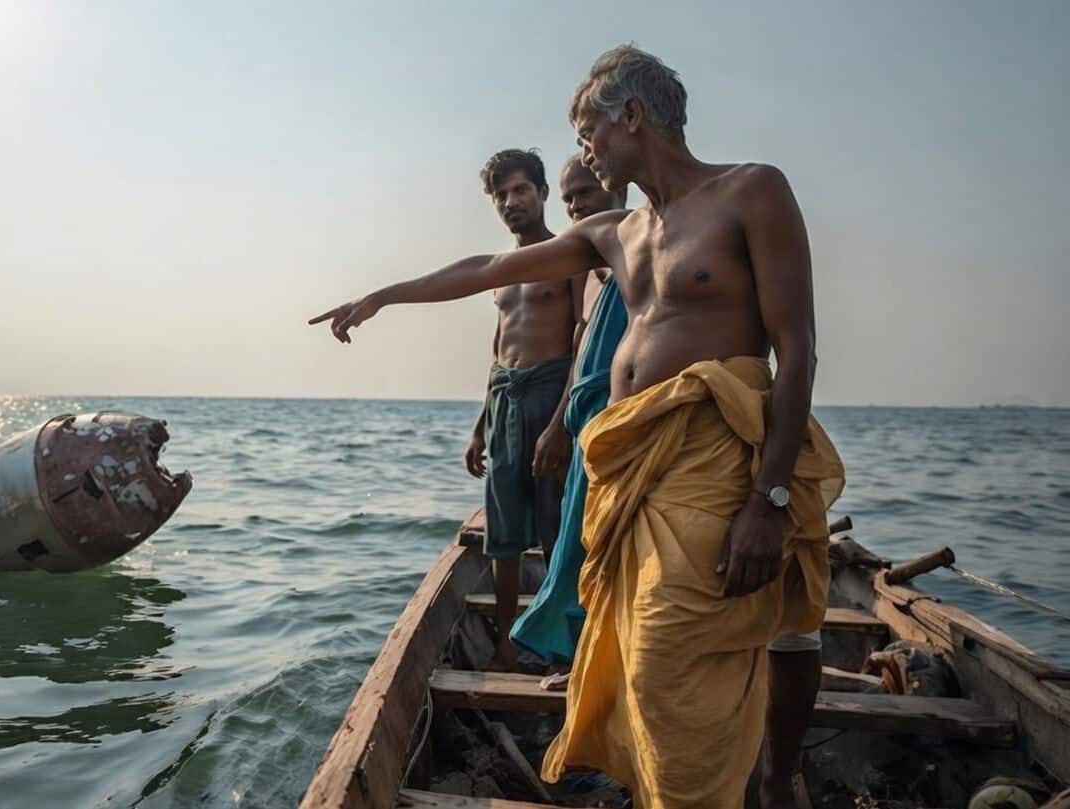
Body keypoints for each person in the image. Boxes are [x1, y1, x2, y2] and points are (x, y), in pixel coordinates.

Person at [310, 44, 844, 809]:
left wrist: (771, 501)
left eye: (587, 125)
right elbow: (486, 268)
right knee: (638, 662)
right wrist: (383, 295)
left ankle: (742, 783)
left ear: (632, 116)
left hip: (713, 467)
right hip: (629, 471)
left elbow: (798, 351)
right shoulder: (615, 234)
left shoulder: (752, 192)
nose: (583, 145)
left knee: (667, 661)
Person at [508, 156, 625, 686]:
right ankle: (579, 663)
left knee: (603, 549)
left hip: (622, 424)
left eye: (584, 193)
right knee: (579, 550)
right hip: (587, 422)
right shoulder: (596, 263)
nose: (576, 205)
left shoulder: (633, 256)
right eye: (570, 197)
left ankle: (596, 669)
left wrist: (557, 424)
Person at [462, 148, 579, 672]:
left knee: (558, 526)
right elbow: (499, 346)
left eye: (521, 190)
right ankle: (506, 645)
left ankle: (557, 646)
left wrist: (560, 422)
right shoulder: (502, 271)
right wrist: (480, 422)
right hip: (507, 397)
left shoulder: (572, 254)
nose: (512, 202)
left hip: (552, 393)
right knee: (502, 533)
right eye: (501, 195)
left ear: (542, 193)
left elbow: (580, 343)